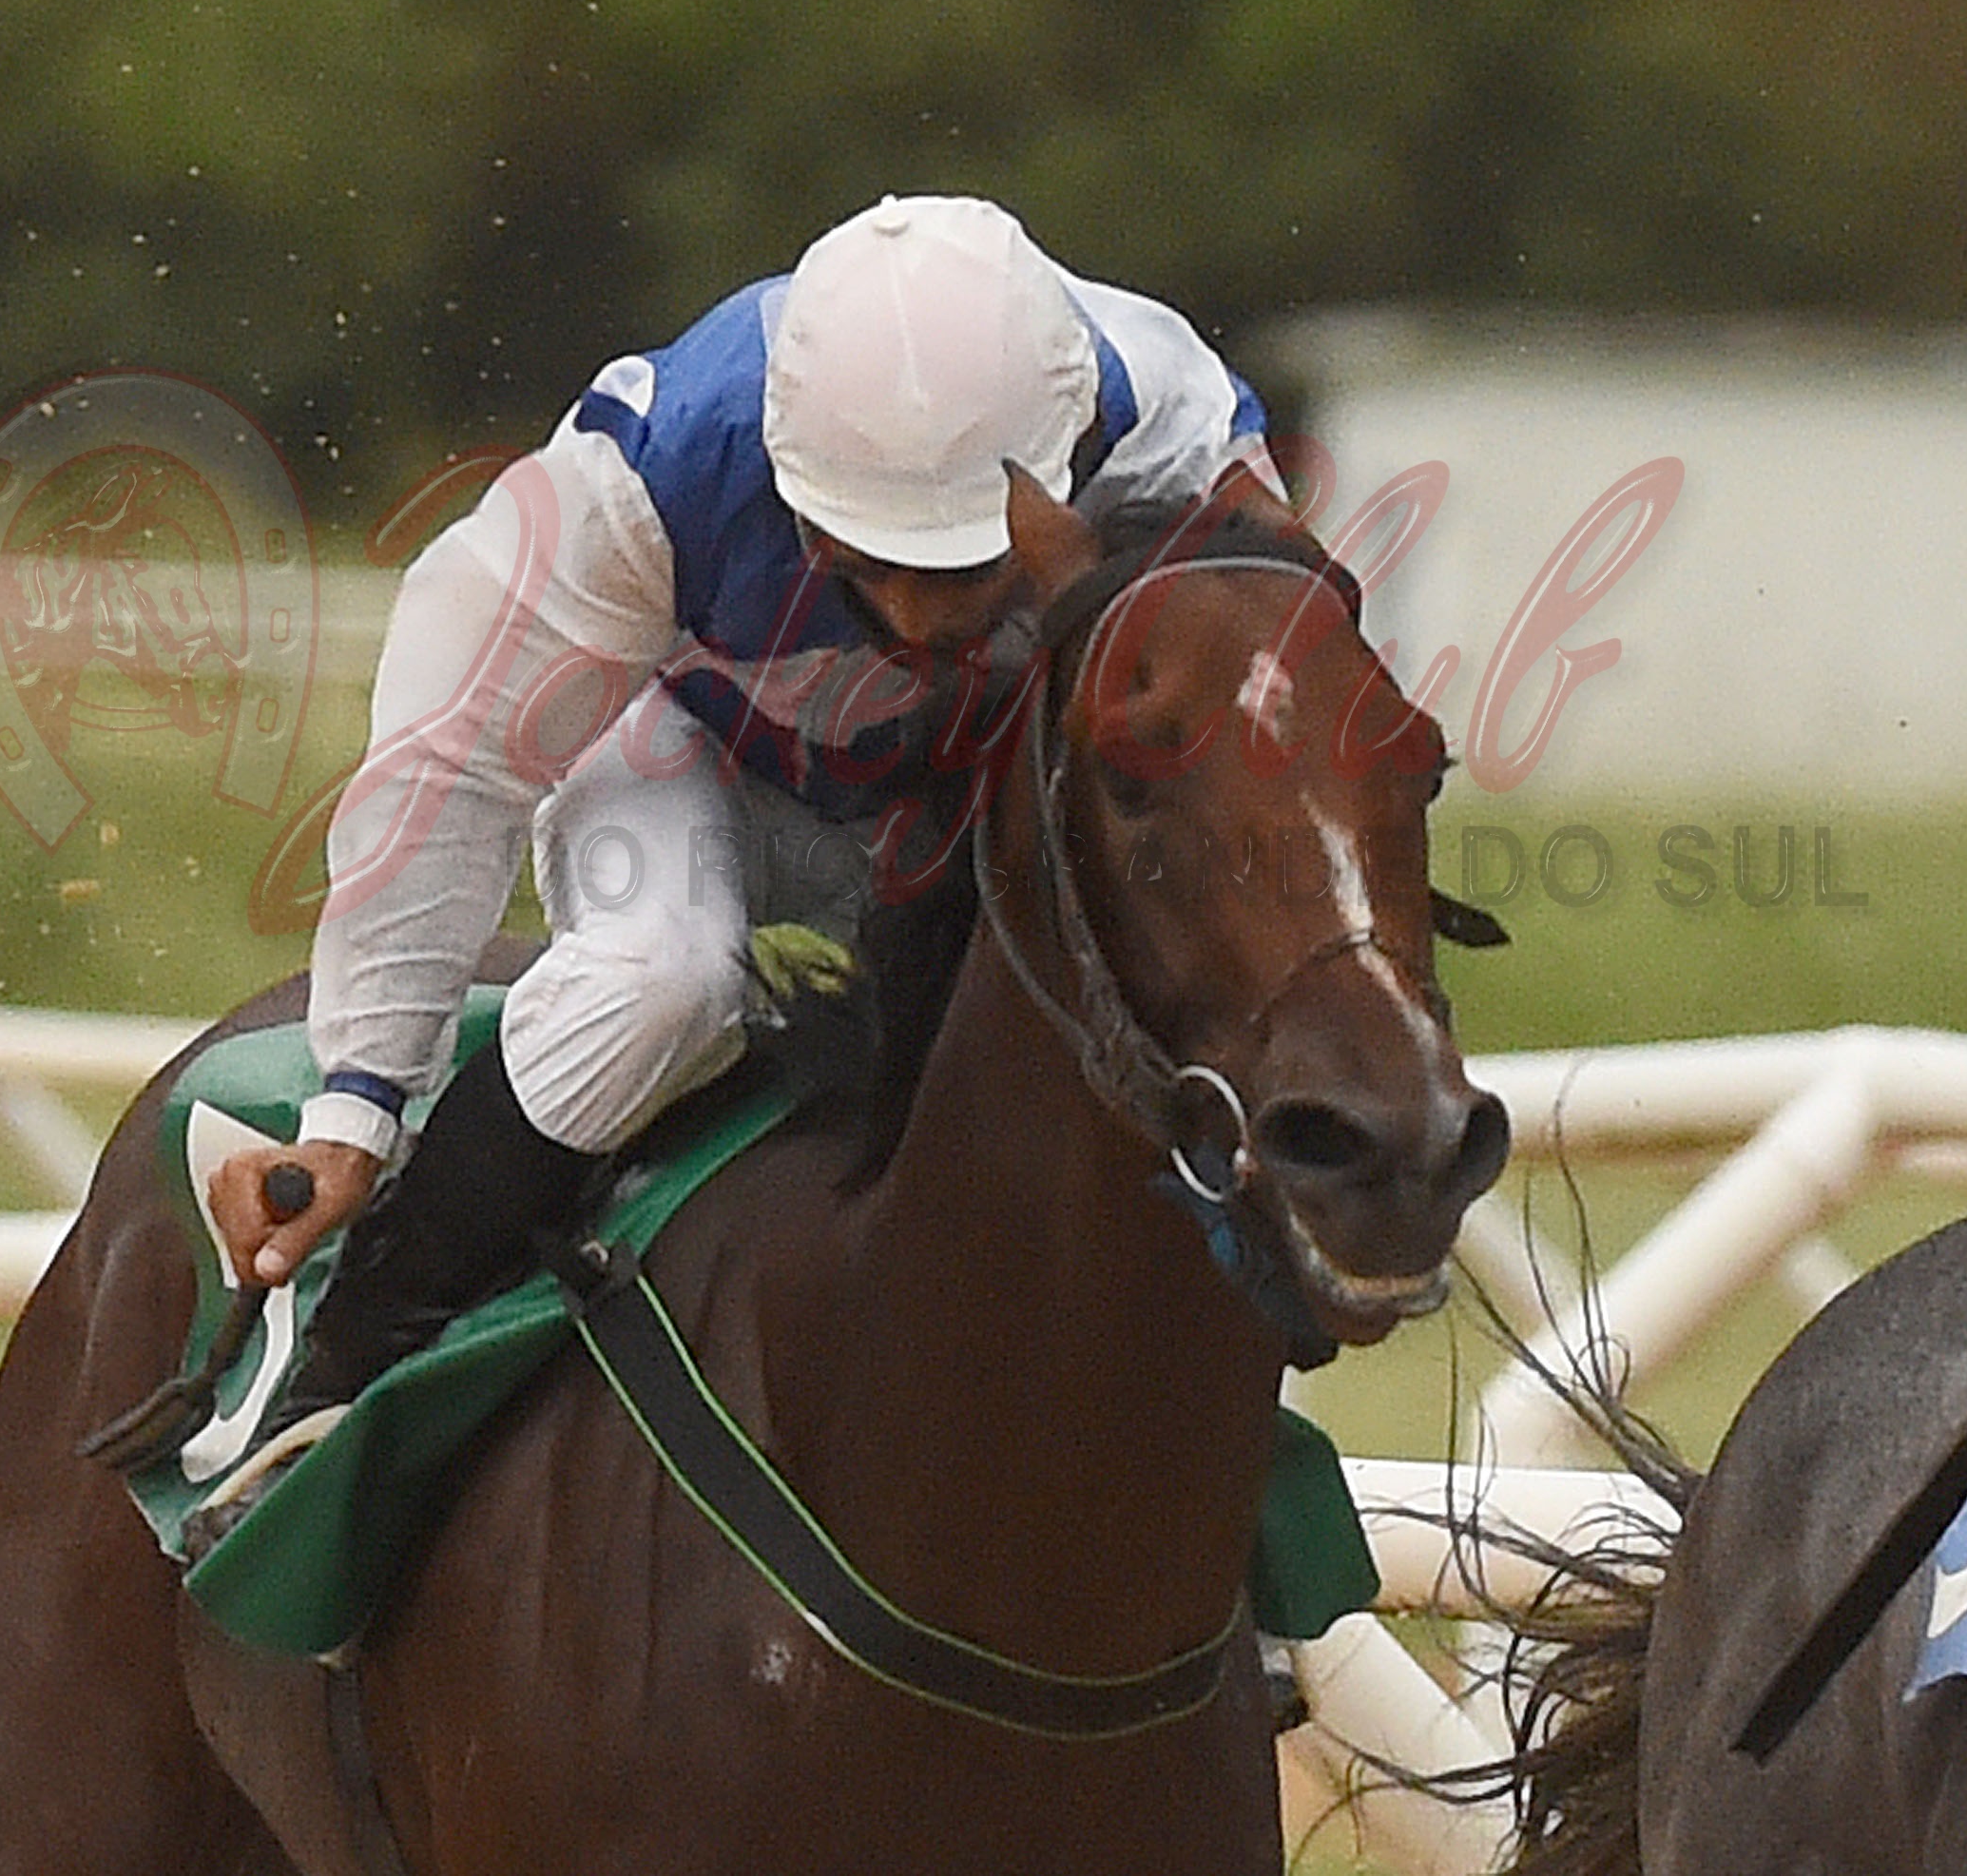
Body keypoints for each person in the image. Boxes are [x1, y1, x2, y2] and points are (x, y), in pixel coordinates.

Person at [189, 193, 1280, 1530]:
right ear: (794, 482)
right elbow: (450, 765)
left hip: (959, 780)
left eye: (962, 562)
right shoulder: (638, 480)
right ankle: (343, 1369)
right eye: (875, 560)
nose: (920, 615)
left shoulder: (1167, 417)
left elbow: (1271, 714)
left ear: (1052, 472)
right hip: (683, 744)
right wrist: (355, 1111)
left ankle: (1222, 1431)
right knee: (660, 980)